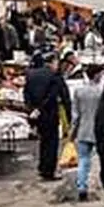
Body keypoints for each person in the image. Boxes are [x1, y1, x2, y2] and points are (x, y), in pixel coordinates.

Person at [22, 50, 71, 181]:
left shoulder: (31, 75)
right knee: (52, 143)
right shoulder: (55, 76)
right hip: (49, 113)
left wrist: (31, 109)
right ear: (53, 62)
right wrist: (69, 116)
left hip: (36, 115)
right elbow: (58, 96)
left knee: (43, 141)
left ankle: (42, 167)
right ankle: (48, 170)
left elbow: (26, 93)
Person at [69, 64, 104, 202]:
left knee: (83, 160)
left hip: (83, 130)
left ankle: (82, 186)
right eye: (101, 73)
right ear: (96, 75)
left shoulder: (78, 91)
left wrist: (72, 132)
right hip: (99, 131)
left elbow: (75, 115)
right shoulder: (101, 92)